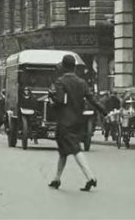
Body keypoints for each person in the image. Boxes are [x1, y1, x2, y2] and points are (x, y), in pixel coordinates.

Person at [48, 54, 103, 192]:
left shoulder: (60, 82)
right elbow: (92, 99)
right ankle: (56, 178)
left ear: (63, 66)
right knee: (63, 151)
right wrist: (104, 111)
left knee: (75, 149)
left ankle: (90, 177)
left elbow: (59, 101)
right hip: (78, 121)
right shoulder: (82, 82)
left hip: (64, 122)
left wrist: (51, 100)